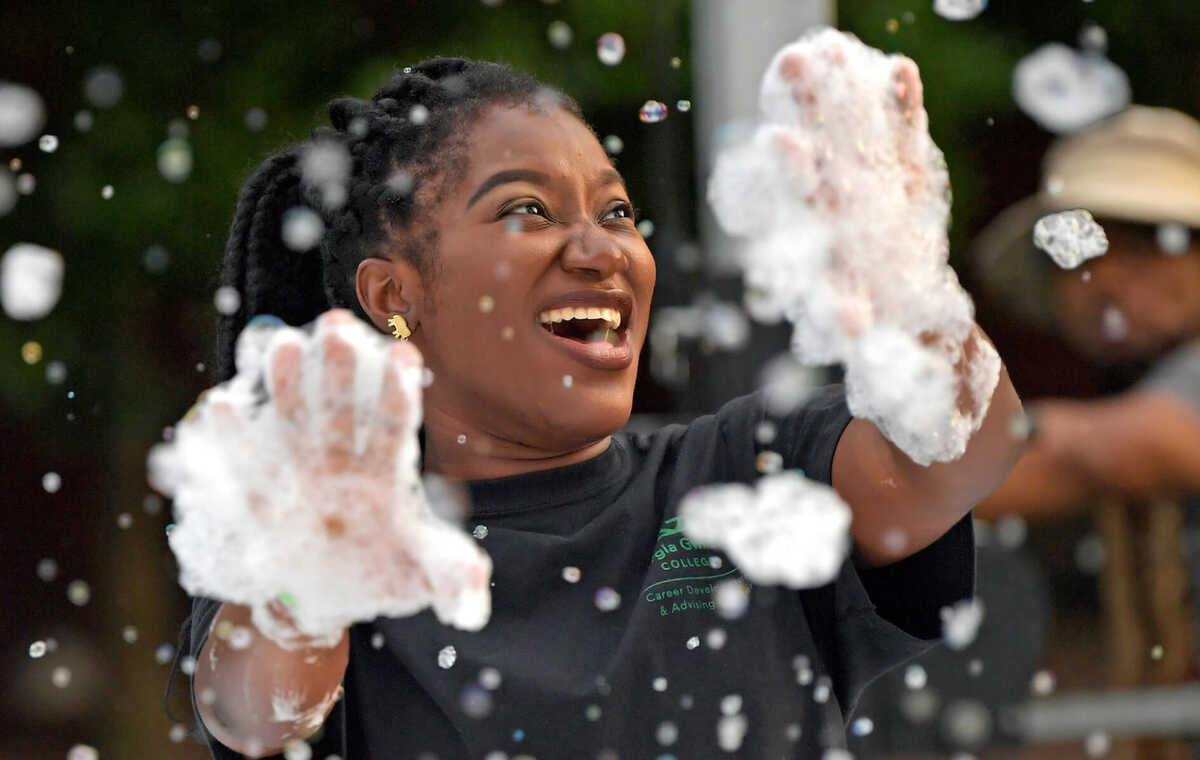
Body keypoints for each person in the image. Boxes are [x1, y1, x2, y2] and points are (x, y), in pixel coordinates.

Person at [171, 57, 1024, 759]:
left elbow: (961, 447)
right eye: (527, 209)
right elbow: (255, 715)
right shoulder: (316, 531)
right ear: (397, 295)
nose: (599, 250)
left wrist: (905, 276)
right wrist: (314, 567)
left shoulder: (749, 470)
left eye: (616, 211)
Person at [970, 105, 1200, 756]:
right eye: (1077, 248)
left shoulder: (1160, 405)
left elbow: (1128, 447)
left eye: (1147, 240)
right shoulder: (1133, 387)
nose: (1108, 275)